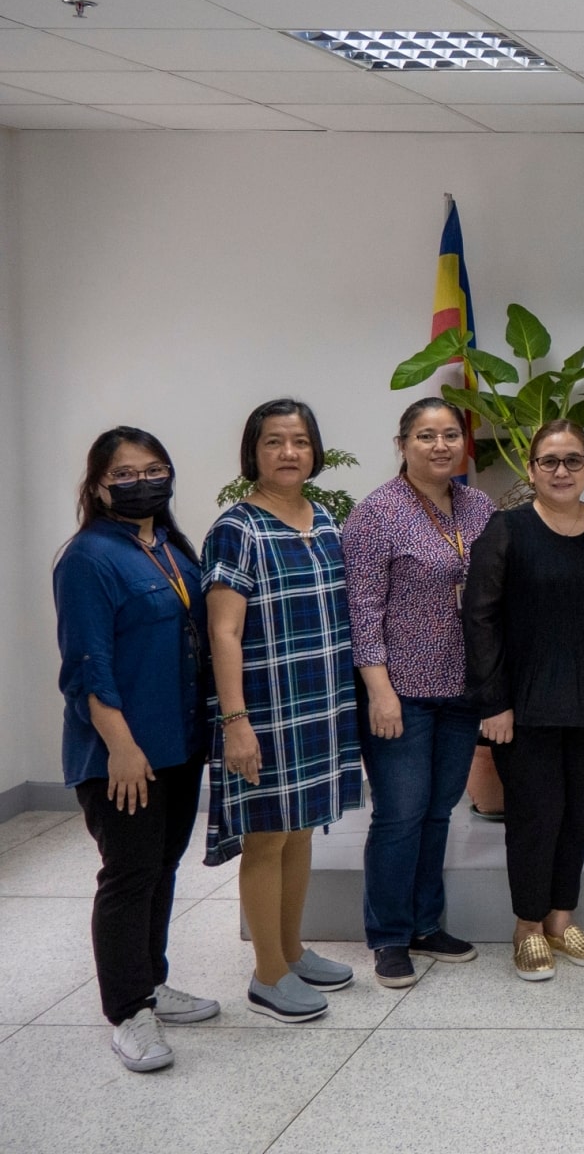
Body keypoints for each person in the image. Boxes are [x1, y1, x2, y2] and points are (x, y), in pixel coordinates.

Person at [54, 428, 219, 1072]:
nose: (142, 481)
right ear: (97, 485)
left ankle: (151, 981)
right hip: (123, 755)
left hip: (178, 744)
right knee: (127, 876)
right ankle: (128, 1013)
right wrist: (120, 747)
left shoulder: (171, 549)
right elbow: (87, 666)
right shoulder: (88, 558)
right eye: (125, 473)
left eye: (154, 469)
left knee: (162, 866)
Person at [202, 399, 363, 1023]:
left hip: (317, 705)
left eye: (299, 441)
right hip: (263, 711)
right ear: (254, 453)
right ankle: (267, 974)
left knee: (300, 830)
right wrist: (235, 723)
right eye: (274, 442)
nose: (289, 452)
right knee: (266, 836)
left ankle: (292, 950)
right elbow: (224, 634)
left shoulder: (322, 520)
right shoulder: (237, 528)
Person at [468, 422, 584, 983]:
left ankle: (562, 920)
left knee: (578, 811)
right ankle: (526, 928)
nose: (562, 471)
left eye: (573, 461)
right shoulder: (507, 529)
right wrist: (493, 701)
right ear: (531, 469)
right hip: (525, 701)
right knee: (534, 814)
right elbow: (480, 620)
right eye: (550, 462)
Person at [341, 397, 495, 989]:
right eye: (426, 435)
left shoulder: (478, 506)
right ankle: (387, 936)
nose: (440, 446)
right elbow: (363, 611)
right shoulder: (376, 513)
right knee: (399, 815)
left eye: (451, 435)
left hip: (463, 689)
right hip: (401, 690)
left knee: (438, 812)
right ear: (403, 443)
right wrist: (378, 691)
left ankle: (426, 924)